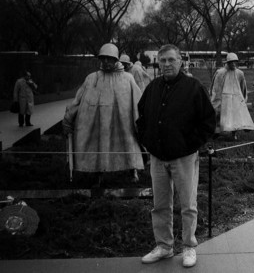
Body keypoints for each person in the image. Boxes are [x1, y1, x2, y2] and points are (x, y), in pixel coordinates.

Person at [137, 44, 216, 268]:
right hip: (158, 157)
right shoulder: (152, 87)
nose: (166, 64)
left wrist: (190, 144)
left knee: (188, 204)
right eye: (162, 61)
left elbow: (208, 121)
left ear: (181, 61)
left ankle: (189, 247)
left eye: (171, 60)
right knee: (160, 204)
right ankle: (164, 245)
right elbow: (141, 115)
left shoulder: (193, 87)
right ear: (158, 63)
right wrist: (147, 139)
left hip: (184, 157)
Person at [62, 43, 144, 185]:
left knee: (128, 143)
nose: (106, 61)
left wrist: (142, 121)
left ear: (116, 59)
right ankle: (98, 174)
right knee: (100, 146)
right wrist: (68, 119)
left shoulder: (127, 78)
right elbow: (78, 100)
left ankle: (133, 171)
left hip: (123, 123)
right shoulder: (92, 78)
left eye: (109, 58)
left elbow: (139, 101)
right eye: (103, 58)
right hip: (100, 123)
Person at [210, 53, 254, 140]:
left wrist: (242, 98)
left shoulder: (240, 73)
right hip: (224, 98)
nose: (233, 64)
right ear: (227, 62)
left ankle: (233, 134)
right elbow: (216, 87)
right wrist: (216, 99)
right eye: (231, 62)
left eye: (235, 62)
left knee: (235, 117)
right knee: (219, 116)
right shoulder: (220, 73)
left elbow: (243, 86)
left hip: (236, 98)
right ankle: (216, 132)